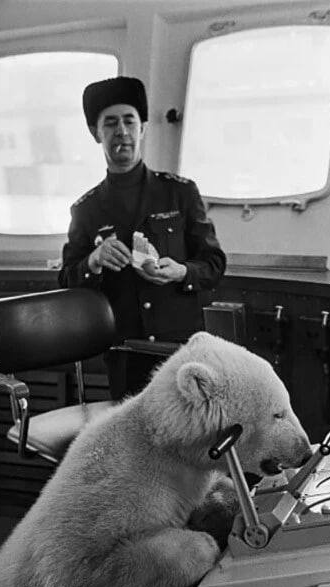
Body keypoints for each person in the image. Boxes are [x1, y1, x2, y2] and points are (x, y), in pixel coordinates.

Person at [58, 76, 227, 389]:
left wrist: (181, 272)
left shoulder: (181, 193)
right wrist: (93, 261)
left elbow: (214, 265)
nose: (121, 131)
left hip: (181, 352)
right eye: (110, 123)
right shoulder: (86, 209)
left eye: (129, 121)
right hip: (125, 353)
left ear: (143, 128)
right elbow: (67, 280)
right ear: (96, 133)